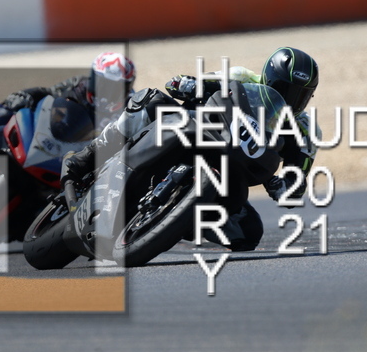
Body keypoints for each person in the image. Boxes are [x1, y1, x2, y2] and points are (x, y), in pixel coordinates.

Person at [61, 47, 320, 252]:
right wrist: (187, 85)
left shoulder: (306, 129)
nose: (290, 99)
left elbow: (298, 177)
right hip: (196, 131)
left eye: (300, 95)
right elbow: (197, 85)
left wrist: (283, 186)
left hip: (233, 169)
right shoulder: (241, 77)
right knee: (151, 101)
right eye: (283, 89)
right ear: (268, 78)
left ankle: (177, 223)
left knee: (249, 231)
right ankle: (88, 156)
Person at [0, 52, 136, 173]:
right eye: (100, 82)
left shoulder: (131, 109)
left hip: (82, 162)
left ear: (126, 89)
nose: (103, 91)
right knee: (0, 115)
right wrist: (24, 95)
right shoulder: (79, 85)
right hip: (53, 141)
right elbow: (49, 92)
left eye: (112, 88)